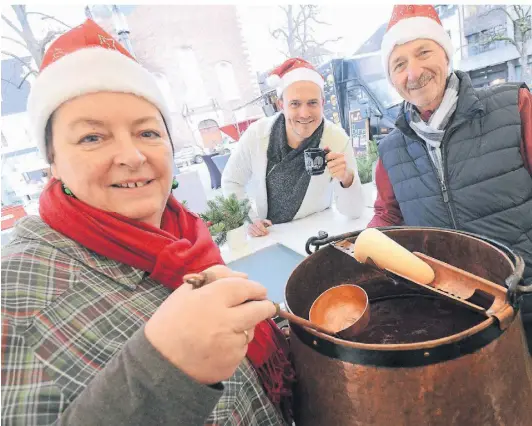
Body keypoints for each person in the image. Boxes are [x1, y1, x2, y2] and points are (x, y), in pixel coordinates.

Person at [1, 20, 295, 425]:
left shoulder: (184, 235)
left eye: (147, 132)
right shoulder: (17, 292)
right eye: (92, 137)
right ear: (51, 160)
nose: (132, 156)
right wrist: (165, 371)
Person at [367, 5, 532, 351]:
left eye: (423, 52)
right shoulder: (391, 150)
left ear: (445, 53)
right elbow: (389, 215)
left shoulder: (513, 105)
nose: (413, 72)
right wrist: (359, 246)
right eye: (399, 64)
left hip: (525, 294)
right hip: (456, 311)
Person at [222, 58, 365, 237]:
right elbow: (231, 181)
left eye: (312, 103)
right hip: (271, 235)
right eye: (295, 104)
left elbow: (354, 212)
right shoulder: (257, 135)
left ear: (323, 103)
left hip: (319, 232)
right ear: (281, 105)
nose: (304, 114)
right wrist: (249, 220)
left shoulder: (336, 139)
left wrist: (347, 178)